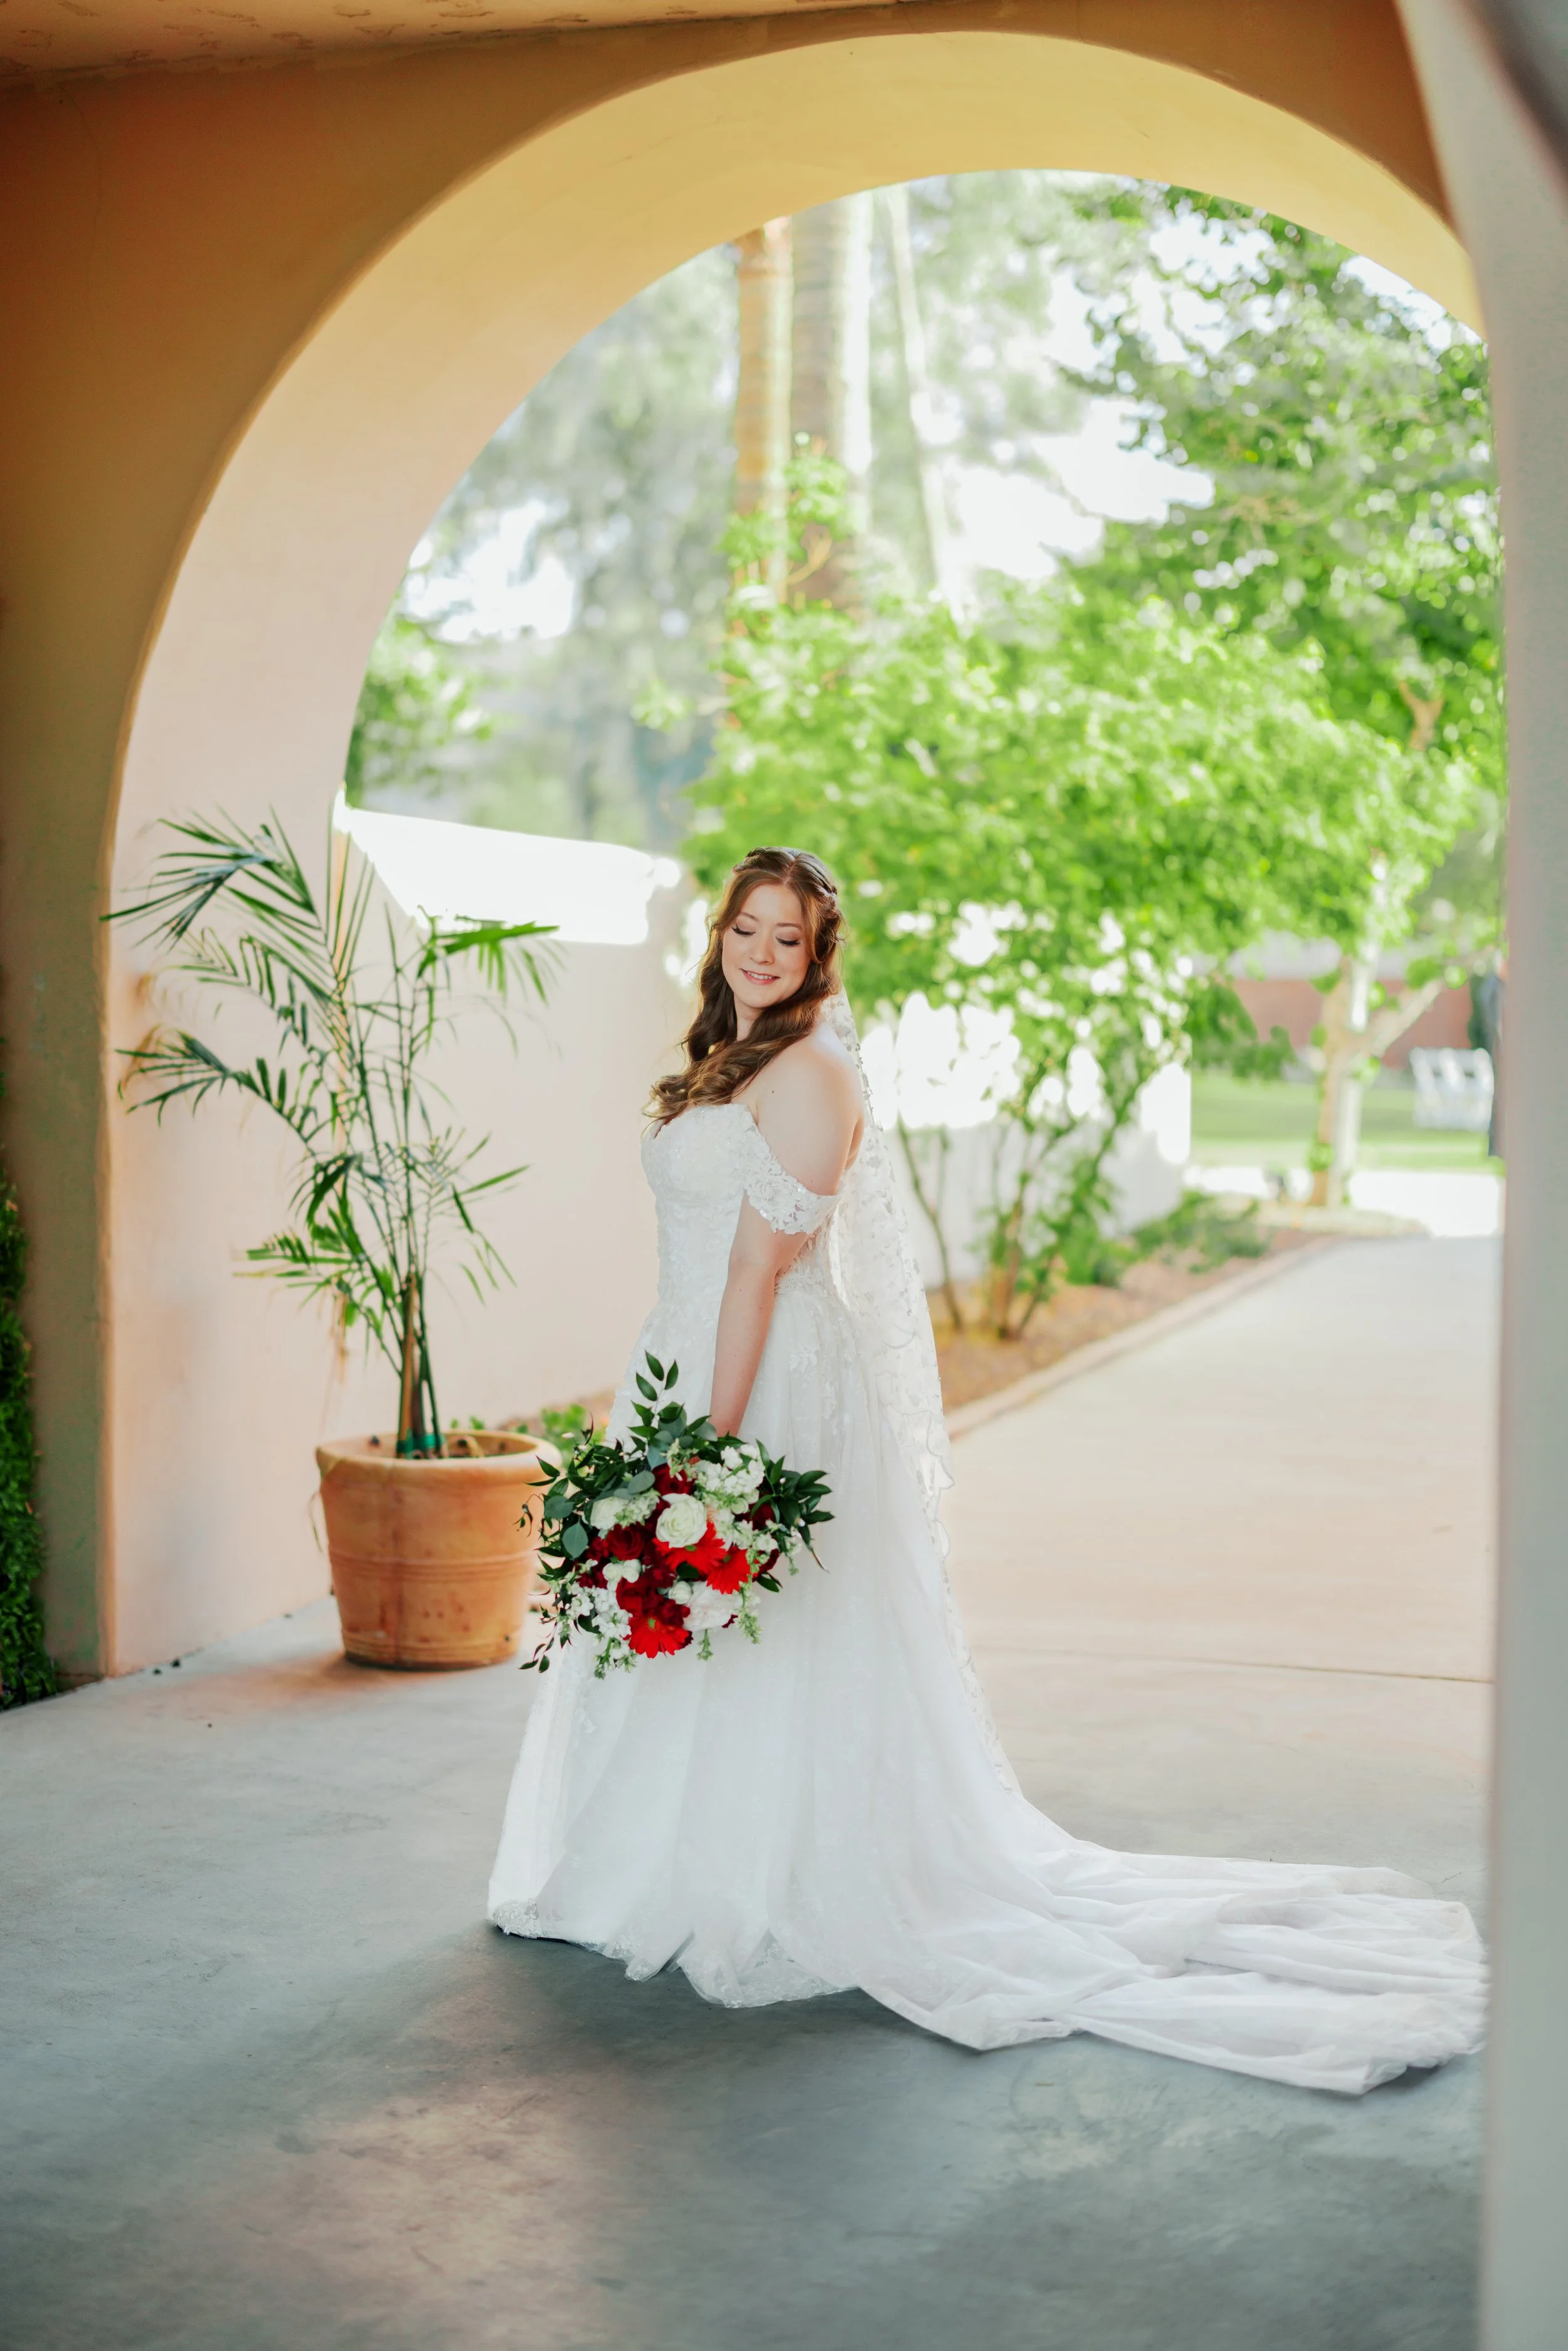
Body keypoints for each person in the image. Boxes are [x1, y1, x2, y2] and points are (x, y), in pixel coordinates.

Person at [489, 847, 1484, 2092]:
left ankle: (758, 1874)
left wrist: (705, 1455)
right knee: (678, 1621)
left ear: (815, 956)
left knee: (755, 1622)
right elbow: (698, 1261)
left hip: (763, 1382)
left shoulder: (811, 1076)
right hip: (682, 1359)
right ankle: (643, 1861)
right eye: (744, 928)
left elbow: (757, 1271)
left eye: (784, 938)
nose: (758, 952)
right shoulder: (723, 1063)